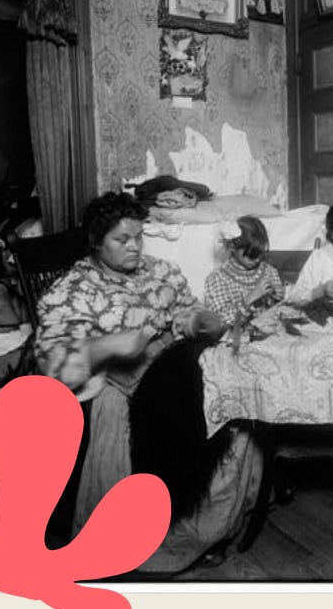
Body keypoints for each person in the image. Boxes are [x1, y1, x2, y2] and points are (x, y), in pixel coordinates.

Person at [35, 192, 261, 571]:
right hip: (116, 384)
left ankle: (209, 529)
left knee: (234, 416)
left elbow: (184, 311)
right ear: (96, 241)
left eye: (139, 237)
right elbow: (52, 364)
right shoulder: (72, 291)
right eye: (122, 240)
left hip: (173, 370)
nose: (135, 247)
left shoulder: (161, 271)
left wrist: (198, 321)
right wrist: (105, 345)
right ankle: (144, 536)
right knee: (153, 425)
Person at [203, 215, 285, 325]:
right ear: (232, 247)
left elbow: (280, 307)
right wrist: (250, 298)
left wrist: (276, 296)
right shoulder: (218, 279)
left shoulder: (269, 272)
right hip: (236, 338)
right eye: (251, 255)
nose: (257, 260)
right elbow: (220, 322)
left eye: (260, 254)